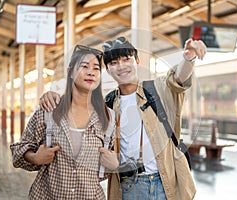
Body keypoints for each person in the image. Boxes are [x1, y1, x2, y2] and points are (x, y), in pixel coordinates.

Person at [40, 37, 207, 200]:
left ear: (137, 61)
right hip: (129, 186)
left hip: (167, 182)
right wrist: (53, 96)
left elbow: (178, 78)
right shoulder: (107, 104)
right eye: (113, 63)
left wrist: (188, 58)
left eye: (126, 59)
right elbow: (77, 103)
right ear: (107, 70)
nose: (121, 66)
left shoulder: (159, 89)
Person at [10, 44, 119, 200]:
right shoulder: (48, 111)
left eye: (96, 68)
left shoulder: (108, 118)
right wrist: (34, 157)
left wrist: (115, 164)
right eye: (84, 66)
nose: (91, 72)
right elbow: (17, 151)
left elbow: (113, 162)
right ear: (70, 73)